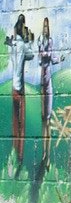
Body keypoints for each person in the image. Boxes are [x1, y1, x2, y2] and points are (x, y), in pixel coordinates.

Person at [5, 14, 34, 175]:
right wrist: (29, 40)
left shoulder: (13, 44)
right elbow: (31, 55)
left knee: (15, 124)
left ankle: (14, 153)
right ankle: (20, 157)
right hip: (20, 89)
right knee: (22, 127)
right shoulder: (22, 45)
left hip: (13, 90)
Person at [38, 16, 63, 166]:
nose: (45, 29)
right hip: (42, 84)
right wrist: (46, 52)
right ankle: (44, 153)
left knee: (47, 120)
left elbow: (51, 58)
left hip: (48, 86)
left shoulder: (50, 42)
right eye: (44, 26)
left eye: (47, 27)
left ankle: (47, 156)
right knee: (43, 121)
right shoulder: (41, 42)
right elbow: (42, 57)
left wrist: (59, 58)